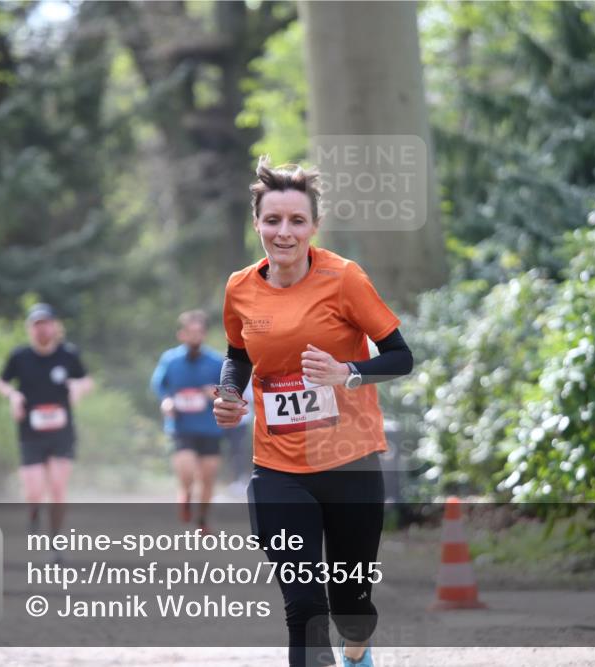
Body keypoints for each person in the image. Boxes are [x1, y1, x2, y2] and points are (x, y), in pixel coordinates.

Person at [214, 157, 414, 667]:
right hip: (279, 468)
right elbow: (238, 355)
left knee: (351, 608)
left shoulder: (343, 279)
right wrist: (229, 393)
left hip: (350, 462)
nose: (284, 233)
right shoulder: (240, 287)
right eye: (273, 220)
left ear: (314, 227)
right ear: (256, 223)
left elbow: (400, 357)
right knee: (304, 605)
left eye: (297, 221)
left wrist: (346, 372)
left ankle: (358, 652)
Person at [0, 304, 93, 543]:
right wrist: (13, 396)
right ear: (30, 329)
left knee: (58, 488)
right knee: (34, 490)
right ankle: (34, 512)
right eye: (37, 325)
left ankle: (56, 541)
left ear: (55, 327)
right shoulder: (20, 356)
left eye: (46, 324)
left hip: (61, 431)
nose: (42, 330)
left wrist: (78, 389)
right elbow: (2, 381)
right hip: (30, 432)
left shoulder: (68, 354)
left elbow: (86, 380)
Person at [150, 310, 225, 531]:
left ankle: (202, 518)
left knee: (208, 476)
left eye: (199, 332)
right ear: (181, 334)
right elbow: (159, 386)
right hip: (181, 427)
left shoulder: (216, 361)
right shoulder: (170, 360)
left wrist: (214, 392)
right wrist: (167, 403)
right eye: (190, 332)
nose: (195, 336)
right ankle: (184, 497)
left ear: (204, 334)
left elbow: (230, 390)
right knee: (187, 471)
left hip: (210, 427)